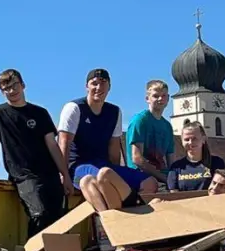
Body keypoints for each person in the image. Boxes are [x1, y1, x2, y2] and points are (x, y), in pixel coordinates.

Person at [57, 68, 160, 213]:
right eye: (94, 83)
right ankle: (110, 221)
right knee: (93, 181)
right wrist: (63, 175)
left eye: (103, 83)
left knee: (150, 183)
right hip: (78, 166)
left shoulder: (114, 112)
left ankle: (136, 216)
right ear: (87, 87)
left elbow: (114, 150)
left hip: (104, 165)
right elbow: (63, 144)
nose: (99, 87)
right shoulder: (74, 108)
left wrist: (119, 178)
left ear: (109, 87)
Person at [0, 68, 71, 238]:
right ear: (1, 92)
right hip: (23, 175)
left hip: (50, 174)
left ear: (23, 85)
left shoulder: (40, 113)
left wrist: (65, 175)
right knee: (39, 214)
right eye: (6, 88)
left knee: (59, 219)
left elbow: (53, 145)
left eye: (14, 85)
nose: (12, 91)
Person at [124, 79, 175, 186]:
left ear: (168, 98)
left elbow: (171, 160)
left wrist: (175, 178)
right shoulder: (140, 121)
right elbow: (137, 159)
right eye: (156, 96)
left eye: (164, 96)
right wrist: (165, 179)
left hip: (163, 176)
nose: (160, 99)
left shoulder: (167, 126)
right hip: (141, 176)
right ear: (147, 98)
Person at [166, 120, 225, 192]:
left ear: (203, 139)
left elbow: (224, 189)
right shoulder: (176, 167)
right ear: (182, 142)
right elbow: (174, 195)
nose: (190, 142)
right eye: (186, 139)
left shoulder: (217, 163)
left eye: (194, 139)